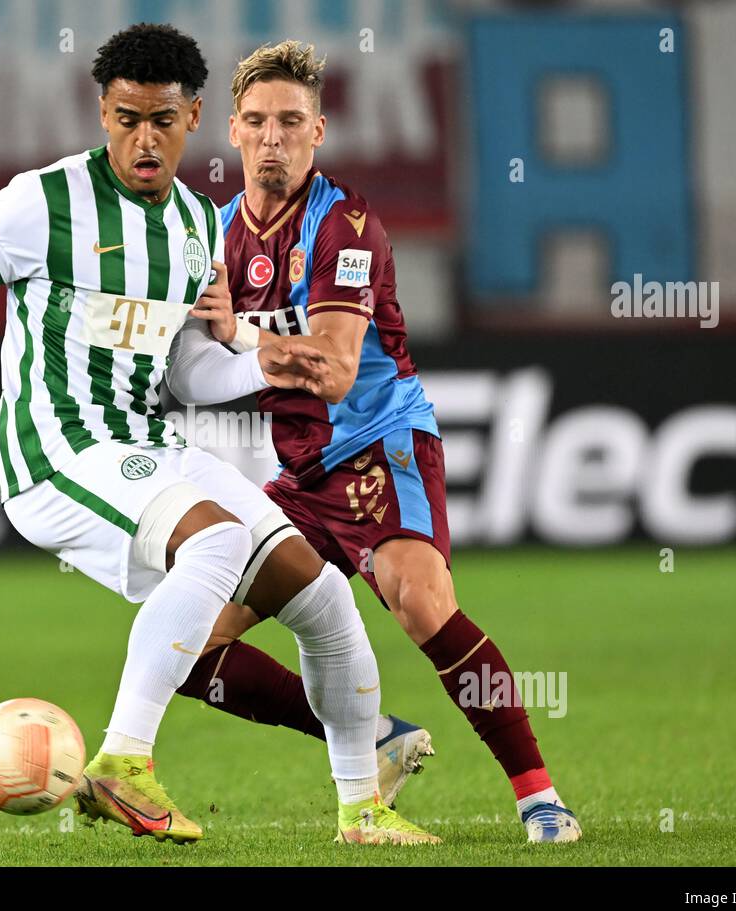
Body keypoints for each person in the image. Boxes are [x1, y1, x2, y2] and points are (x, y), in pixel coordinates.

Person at [0, 24, 438, 846]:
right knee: (214, 547)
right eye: (124, 119)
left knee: (322, 595)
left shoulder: (192, 225)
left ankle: (362, 810)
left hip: (145, 444)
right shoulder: (43, 202)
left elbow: (188, 377)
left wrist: (264, 361)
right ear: (102, 112)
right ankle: (123, 763)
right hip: (57, 454)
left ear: (193, 120)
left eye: (162, 121)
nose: (142, 140)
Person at [169, 40, 581, 844]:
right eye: (256, 121)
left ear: (318, 132)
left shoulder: (345, 226)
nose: (272, 138)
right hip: (300, 478)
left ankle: (540, 798)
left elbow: (331, 370)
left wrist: (238, 330)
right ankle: (371, 738)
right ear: (232, 131)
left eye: (291, 121)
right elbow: (185, 358)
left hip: (379, 449)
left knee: (422, 603)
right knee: (184, 643)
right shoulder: (212, 237)